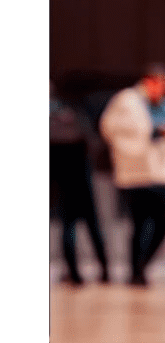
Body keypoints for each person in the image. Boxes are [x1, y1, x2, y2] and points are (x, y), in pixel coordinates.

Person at [99, 63, 165, 286]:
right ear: (149, 81)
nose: (162, 90)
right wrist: (156, 131)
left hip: (162, 173)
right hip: (136, 174)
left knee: (162, 225)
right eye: (159, 84)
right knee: (139, 225)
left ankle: (142, 266)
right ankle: (136, 271)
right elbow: (111, 129)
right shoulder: (127, 101)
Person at [50, 82, 110, 285]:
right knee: (91, 226)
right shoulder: (73, 114)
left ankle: (75, 275)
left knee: (70, 226)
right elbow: (92, 143)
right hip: (82, 179)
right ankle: (104, 270)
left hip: (66, 182)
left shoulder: (56, 118)